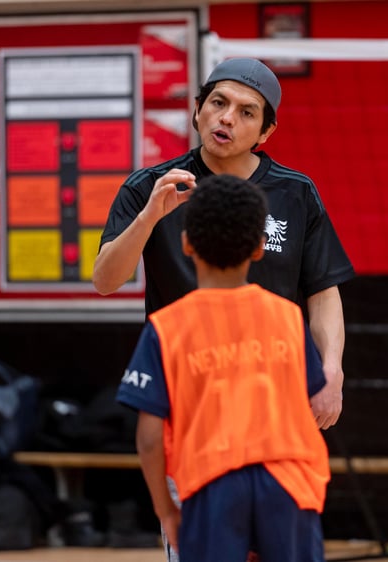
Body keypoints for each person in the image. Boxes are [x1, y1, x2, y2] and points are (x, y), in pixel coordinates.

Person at [94, 57, 354, 431]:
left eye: (246, 112)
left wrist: (332, 371)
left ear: (266, 132)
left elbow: (323, 291)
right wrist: (149, 217)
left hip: (272, 396)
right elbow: (105, 281)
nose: (227, 118)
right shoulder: (149, 187)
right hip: (186, 397)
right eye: (218, 103)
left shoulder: (295, 192)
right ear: (198, 109)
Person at [116, 174, 330, 562]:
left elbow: (149, 437)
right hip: (290, 483)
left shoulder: (167, 327)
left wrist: (167, 510)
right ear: (261, 248)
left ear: (186, 244)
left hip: (212, 485)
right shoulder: (288, 318)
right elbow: (309, 400)